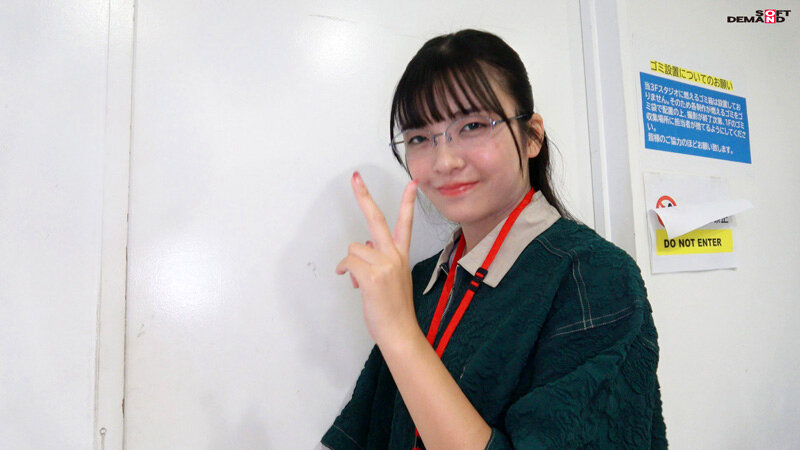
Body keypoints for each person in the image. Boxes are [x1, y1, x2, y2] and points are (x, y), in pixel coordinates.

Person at [322, 29, 667, 449]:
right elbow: (369, 432)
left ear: (532, 136)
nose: (444, 160)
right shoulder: (419, 281)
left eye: (472, 125)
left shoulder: (595, 277)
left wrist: (399, 333)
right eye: (419, 138)